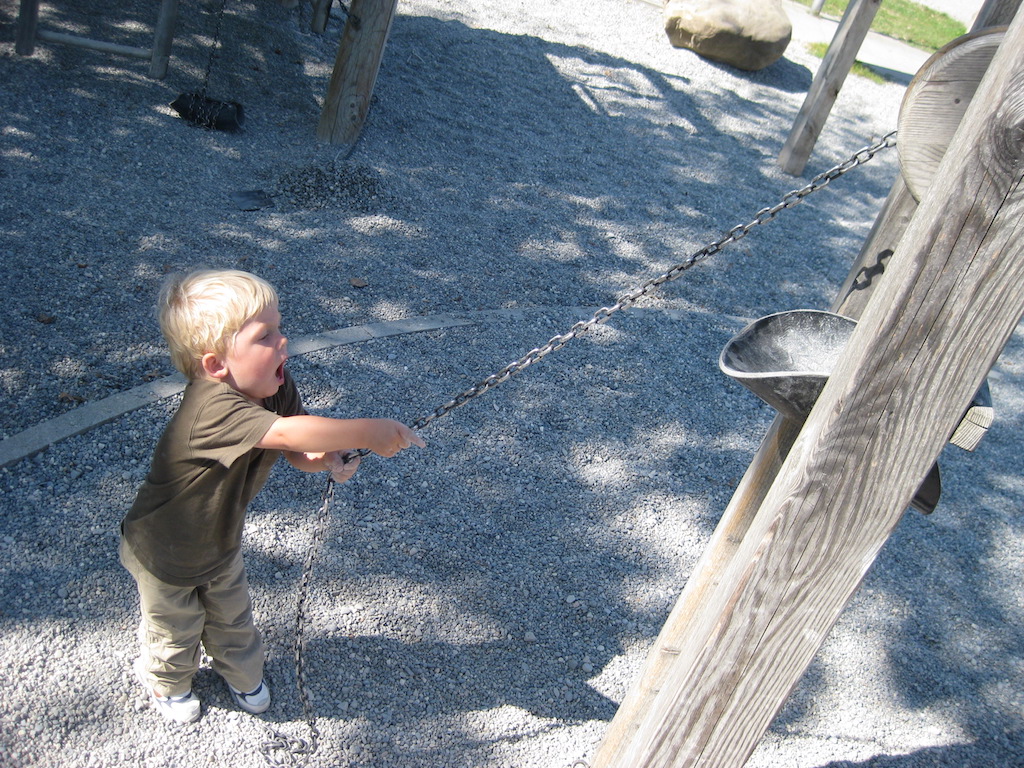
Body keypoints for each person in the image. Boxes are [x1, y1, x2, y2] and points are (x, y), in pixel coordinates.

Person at [120, 268, 425, 724]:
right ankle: (168, 683)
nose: (282, 341)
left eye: (279, 328)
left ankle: (242, 674)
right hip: (163, 552)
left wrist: (327, 457)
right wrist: (371, 429)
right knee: (173, 629)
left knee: (233, 619)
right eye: (265, 336)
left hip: (219, 542)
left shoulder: (276, 388)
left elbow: (298, 446)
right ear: (214, 366)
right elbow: (286, 432)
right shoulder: (210, 406)